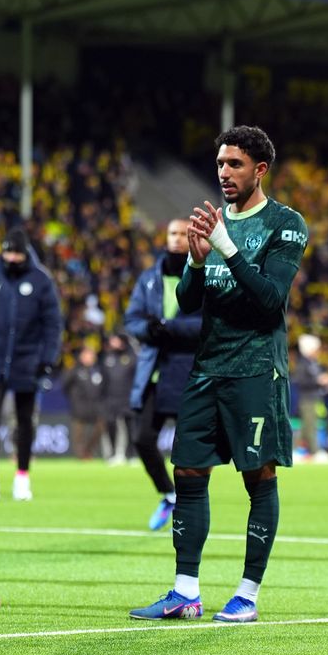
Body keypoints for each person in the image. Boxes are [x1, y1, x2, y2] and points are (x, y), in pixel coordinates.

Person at [129, 125, 307, 625]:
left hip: (256, 371)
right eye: (220, 164)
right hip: (207, 368)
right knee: (187, 471)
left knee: (258, 477)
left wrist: (227, 248)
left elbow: (271, 299)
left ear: (260, 170)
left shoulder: (285, 224)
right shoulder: (214, 223)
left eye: (235, 164)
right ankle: (185, 592)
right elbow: (187, 302)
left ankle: (247, 595)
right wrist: (196, 261)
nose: (224, 173)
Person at [0, 226, 62, 501]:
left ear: (25, 253)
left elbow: (53, 324)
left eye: (17, 254)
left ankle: (22, 477)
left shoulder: (41, 280)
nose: (12, 258)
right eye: (9, 253)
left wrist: (47, 359)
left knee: (25, 422)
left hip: (27, 361)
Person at [123, 218, 202, 530]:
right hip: (154, 373)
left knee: (187, 450)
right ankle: (170, 494)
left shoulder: (204, 274)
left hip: (187, 373)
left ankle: (189, 505)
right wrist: (149, 329)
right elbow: (132, 320)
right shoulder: (149, 278)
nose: (177, 239)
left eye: (183, 233)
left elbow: (207, 324)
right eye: (172, 233)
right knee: (142, 439)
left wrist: (169, 327)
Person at [292, 333, 328, 462]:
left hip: (314, 398)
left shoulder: (312, 363)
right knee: (309, 426)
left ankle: (294, 450)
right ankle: (314, 451)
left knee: (308, 426)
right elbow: (301, 381)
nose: (318, 351)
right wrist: (318, 381)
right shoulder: (303, 363)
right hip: (307, 399)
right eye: (316, 349)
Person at [62, 345, 106, 460]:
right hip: (79, 406)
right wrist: (74, 397)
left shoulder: (98, 370)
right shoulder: (75, 369)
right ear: (81, 356)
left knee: (100, 427)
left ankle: (88, 452)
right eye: (87, 355)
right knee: (78, 433)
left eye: (91, 355)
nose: (89, 358)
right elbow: (65, 385)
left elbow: (104, 388)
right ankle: (81, 455)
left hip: (95, 406)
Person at [101, 333, 136, 465]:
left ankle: (131, 455)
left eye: (115, 340)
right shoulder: (108, 357)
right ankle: (113, 454)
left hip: (127, 398)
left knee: (130, 426)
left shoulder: (132, 357)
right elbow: (103, 379)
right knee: (111, 425)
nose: (112, 343)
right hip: (110, 398)